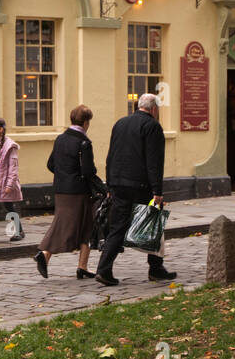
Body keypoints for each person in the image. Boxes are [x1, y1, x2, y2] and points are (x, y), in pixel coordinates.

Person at [95, 93, 177, 287]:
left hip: (118, 184)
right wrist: (157, 190)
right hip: (140, 185)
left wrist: (109, 184)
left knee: (118, 227)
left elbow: (110, 155)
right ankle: (156, 268)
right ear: (154, 109)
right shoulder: (152, 126)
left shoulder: (120, 123)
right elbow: (154, 161)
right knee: (153, 223)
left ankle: (104, 269)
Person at [33, 105, 104, 279]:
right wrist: (104, 189)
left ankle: (83, 266)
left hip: (61, 189)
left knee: (86, 225)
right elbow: (88, 171)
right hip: (78, 191)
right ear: (86, 122)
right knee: (65, 225)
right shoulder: (84, 142)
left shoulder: (61, 139)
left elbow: (51, 164)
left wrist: (64, 176)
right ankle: (44, 254)